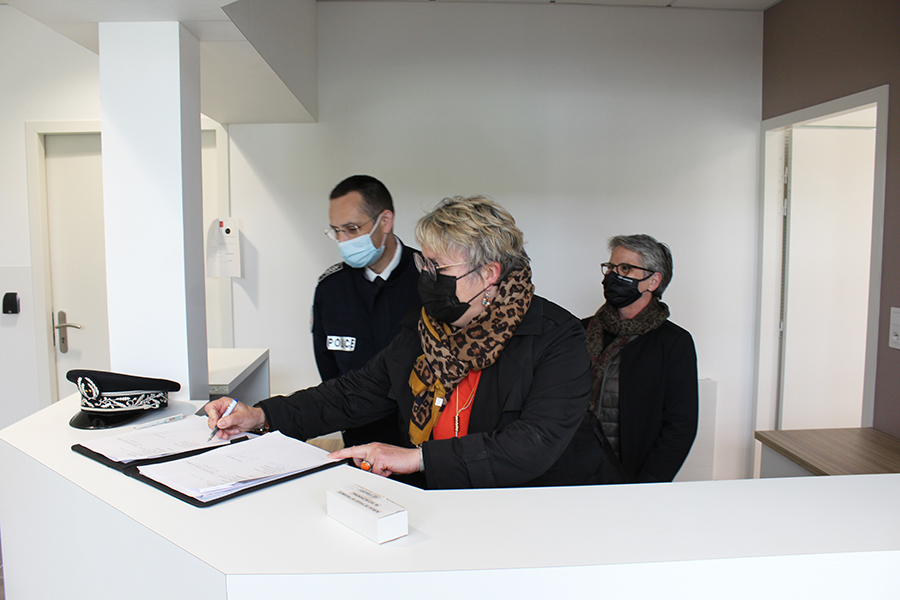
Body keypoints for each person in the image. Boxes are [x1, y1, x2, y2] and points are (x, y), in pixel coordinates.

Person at [207, 196, 602, 489]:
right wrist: (261, 416)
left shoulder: (556, 337)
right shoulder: (424, 328)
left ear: (488, 276)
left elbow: (533, 445)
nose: (425, 278)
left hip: (527, 509)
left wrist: (418, 458)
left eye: (439, 268)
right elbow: (351, 394)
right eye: (424, 264)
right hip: (442, 499)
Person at [312, 175, 420, 448]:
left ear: (385, 221)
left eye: (351, 229)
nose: (342, 240)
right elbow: (329, 368)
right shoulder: (331, 289)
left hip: (423, 441)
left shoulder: (428, 280)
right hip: (360, 438)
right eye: (336, 230)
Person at [583, 234, 698, 484]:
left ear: (653, 281)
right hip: (573, 470)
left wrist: (649, 483)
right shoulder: (579, 331)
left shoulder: (673, 343)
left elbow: (680, 425)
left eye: (625, 268)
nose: (612, 276)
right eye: (610, 268)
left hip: (633, 477)